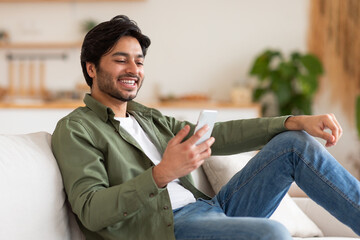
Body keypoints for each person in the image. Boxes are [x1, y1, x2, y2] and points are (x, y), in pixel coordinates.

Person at [51, 15, 360, 240]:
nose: (134, 70)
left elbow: (219, 136)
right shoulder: (77, 129)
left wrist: (294, 120)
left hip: (209, 210)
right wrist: (161, 174)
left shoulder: (148, 118)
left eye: (140, 61)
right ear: (91, 68)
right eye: (121, 60)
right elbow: (91, 210)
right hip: (167, 229)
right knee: (272, 233)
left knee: (294, 143)